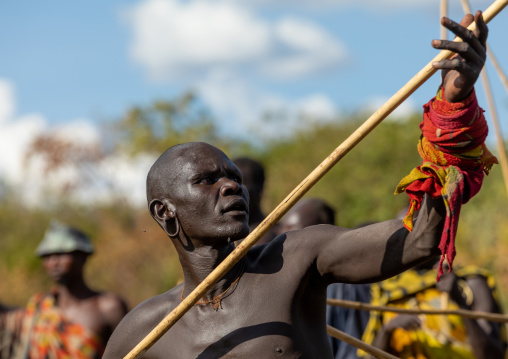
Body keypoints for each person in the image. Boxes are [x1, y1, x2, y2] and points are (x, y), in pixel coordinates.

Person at [103, 12, 493, 359]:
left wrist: (452, 109)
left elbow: (420, 240)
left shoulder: (295, 259)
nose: (231, 187)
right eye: (207, 180)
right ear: (164, 212)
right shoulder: (143, 334)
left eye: (234, 179)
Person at [0, 221, 128, 359]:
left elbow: (133, 352)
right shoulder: (39, 308)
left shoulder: (109, 307)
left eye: (61, 254)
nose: (53, 262)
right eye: (47, 256)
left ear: (83, 257)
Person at [277, 198, 371, 359]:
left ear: (319, 236)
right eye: (282, 229)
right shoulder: (282, 283)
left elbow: (352, 350)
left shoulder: (346, 285)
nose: (280, 237)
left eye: (290, 230)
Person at [364, 258, 506, 359]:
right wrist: (388, 330)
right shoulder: (388, 293)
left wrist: (459, 299)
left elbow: (492, 355)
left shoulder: (469, 282)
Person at [233, 157, 276, 244]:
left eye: (240, 183)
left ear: (260, 188)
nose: (232, 188)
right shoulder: (221, 238)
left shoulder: (277, 235)